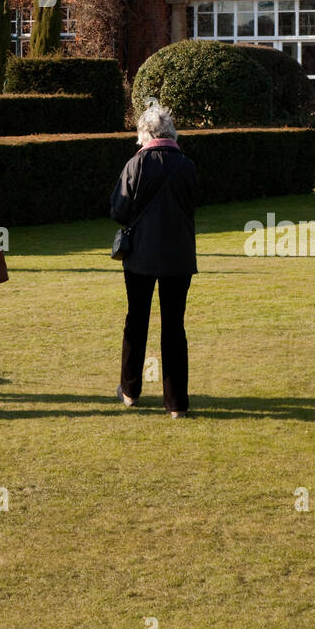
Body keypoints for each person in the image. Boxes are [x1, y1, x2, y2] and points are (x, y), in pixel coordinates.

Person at [110, 102, 197, 417]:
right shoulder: (186, 164)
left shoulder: (136, 165)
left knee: (137, 321)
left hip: (141, 255)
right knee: (174, 326)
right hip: (179, 255)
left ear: (145, 134)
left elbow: (118, 210)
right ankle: (176, 403)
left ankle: (131, 390)